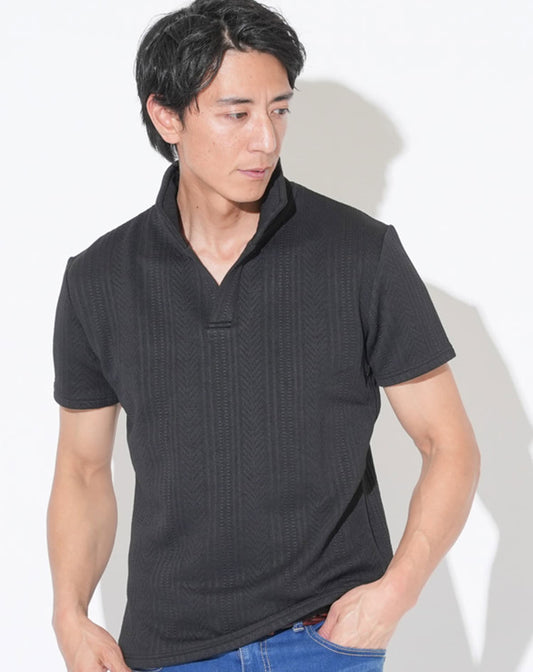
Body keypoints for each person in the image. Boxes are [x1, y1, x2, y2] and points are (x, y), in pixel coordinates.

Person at [47, 1, 480, 670]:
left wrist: (395, 593)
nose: (265, 140)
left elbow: (447, 444)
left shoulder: (359, 254)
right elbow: (81, 470)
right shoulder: (99, 279)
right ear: (167, 116)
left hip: (324, 640)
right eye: (236, 113)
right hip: (168, 650)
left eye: (279, 110)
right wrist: (69, 614)